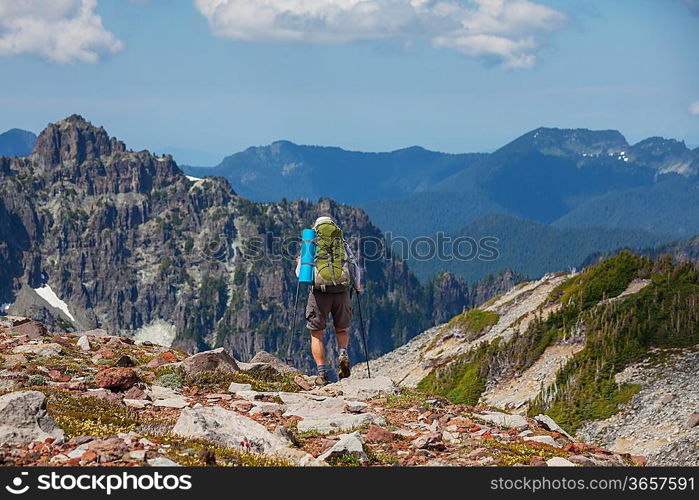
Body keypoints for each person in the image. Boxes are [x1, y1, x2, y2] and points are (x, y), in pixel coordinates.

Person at [296, 216, 361, 386]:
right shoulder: (342, 243)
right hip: (342, 292)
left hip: (319, 294)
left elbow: (300, 274)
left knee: (317, 333)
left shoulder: (312, 243)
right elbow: (354, 266)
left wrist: (299, 263)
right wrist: (357, 286)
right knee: (341, 329)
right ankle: (343, 353)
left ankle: (322, 373)